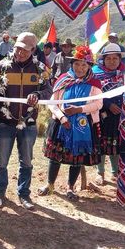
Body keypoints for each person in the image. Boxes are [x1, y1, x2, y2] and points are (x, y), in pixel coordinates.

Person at [0, 32, 52, 210]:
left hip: (29, 124)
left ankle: (24, 195)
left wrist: (38, 94)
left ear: (32, 49)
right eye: (17, 48)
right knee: (1, 160)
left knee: (27, 161)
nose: (20, 53)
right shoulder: (1, 67)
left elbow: (49, 91)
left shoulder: (40, 69)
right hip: (4, 123)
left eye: (25, 50)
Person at [38, 45, 102, 199]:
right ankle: (50, 184)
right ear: (72, 64)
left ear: (89, 66)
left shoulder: (95, 83)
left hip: (83, 125)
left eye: (84, 65)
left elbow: (98, 104)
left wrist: (79, 110)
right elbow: (53, 102)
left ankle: (70, 187)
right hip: (61, 123)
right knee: (55, 157)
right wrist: (62, 117)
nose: (80, 68)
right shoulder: (64, 79)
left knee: (76, 158)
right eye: (77, 64)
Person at [92, 43, 125, 185]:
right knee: (101, 143)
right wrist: (108, 105)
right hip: (101, 115)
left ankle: (115, 172)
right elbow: (93, 94)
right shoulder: (96, 74)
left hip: (120, 116)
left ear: (120, 60)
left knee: (115, 144)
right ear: (103, 60)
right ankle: (100, 172)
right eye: (109, 59)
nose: (112, 61)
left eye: (115, 59)